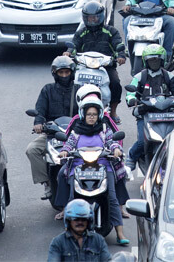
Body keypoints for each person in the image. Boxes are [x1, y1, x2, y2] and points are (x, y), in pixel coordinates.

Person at [55, 96, 129, 245]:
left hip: (103, 165)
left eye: (94, 114)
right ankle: (67, 231)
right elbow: (68, 144)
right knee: (72, 198)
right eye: (89, 114)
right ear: (83, 115)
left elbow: (112, 142)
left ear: (99, 115)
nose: (91, 117)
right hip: (78, 166)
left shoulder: (104, 129)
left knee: (113, 198)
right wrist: (64, 151)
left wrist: (116, 150)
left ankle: (120, 233)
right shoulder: (76, 131)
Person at [125, 45, 174, 169]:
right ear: (145, 61)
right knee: (141, 142)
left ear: (162, 60)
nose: (154, 62)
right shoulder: (140, 77)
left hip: (167, 113)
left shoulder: (168, 76)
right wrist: (132, 99)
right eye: (151, 60)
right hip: (145, 113)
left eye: (156, 60)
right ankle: (131, 156)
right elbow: (130, 92)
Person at [66, 2, 127, 121]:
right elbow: (74, 44)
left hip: (105, 66)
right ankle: (70, 110)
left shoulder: (111, 31)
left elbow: (118, 43)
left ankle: (113, 112)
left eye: (95, 17)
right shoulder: (81, 32)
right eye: (89, 18)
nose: (92, 20)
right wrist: (69, 52)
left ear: (101, 17)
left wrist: (120, 55)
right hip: (84, 67)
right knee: (68, 81)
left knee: (115, 83)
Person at [27, 56, 75, 199]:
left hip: (76, 134)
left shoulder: (80, 90)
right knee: (32, 150)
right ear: (55, 74)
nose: (64, 76)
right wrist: (38, 123)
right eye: (61, 73)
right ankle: (46, 183)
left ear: (72, 72)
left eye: (67, 72)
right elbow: (40, 111)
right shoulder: (47, 90)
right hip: (52, 134)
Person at [47, 199, 112, 262]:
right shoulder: (58, 242)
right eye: (76, 219)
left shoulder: (98, 240)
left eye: (83, 219)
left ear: (88, 221)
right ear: (69, 220)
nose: (80, 222)